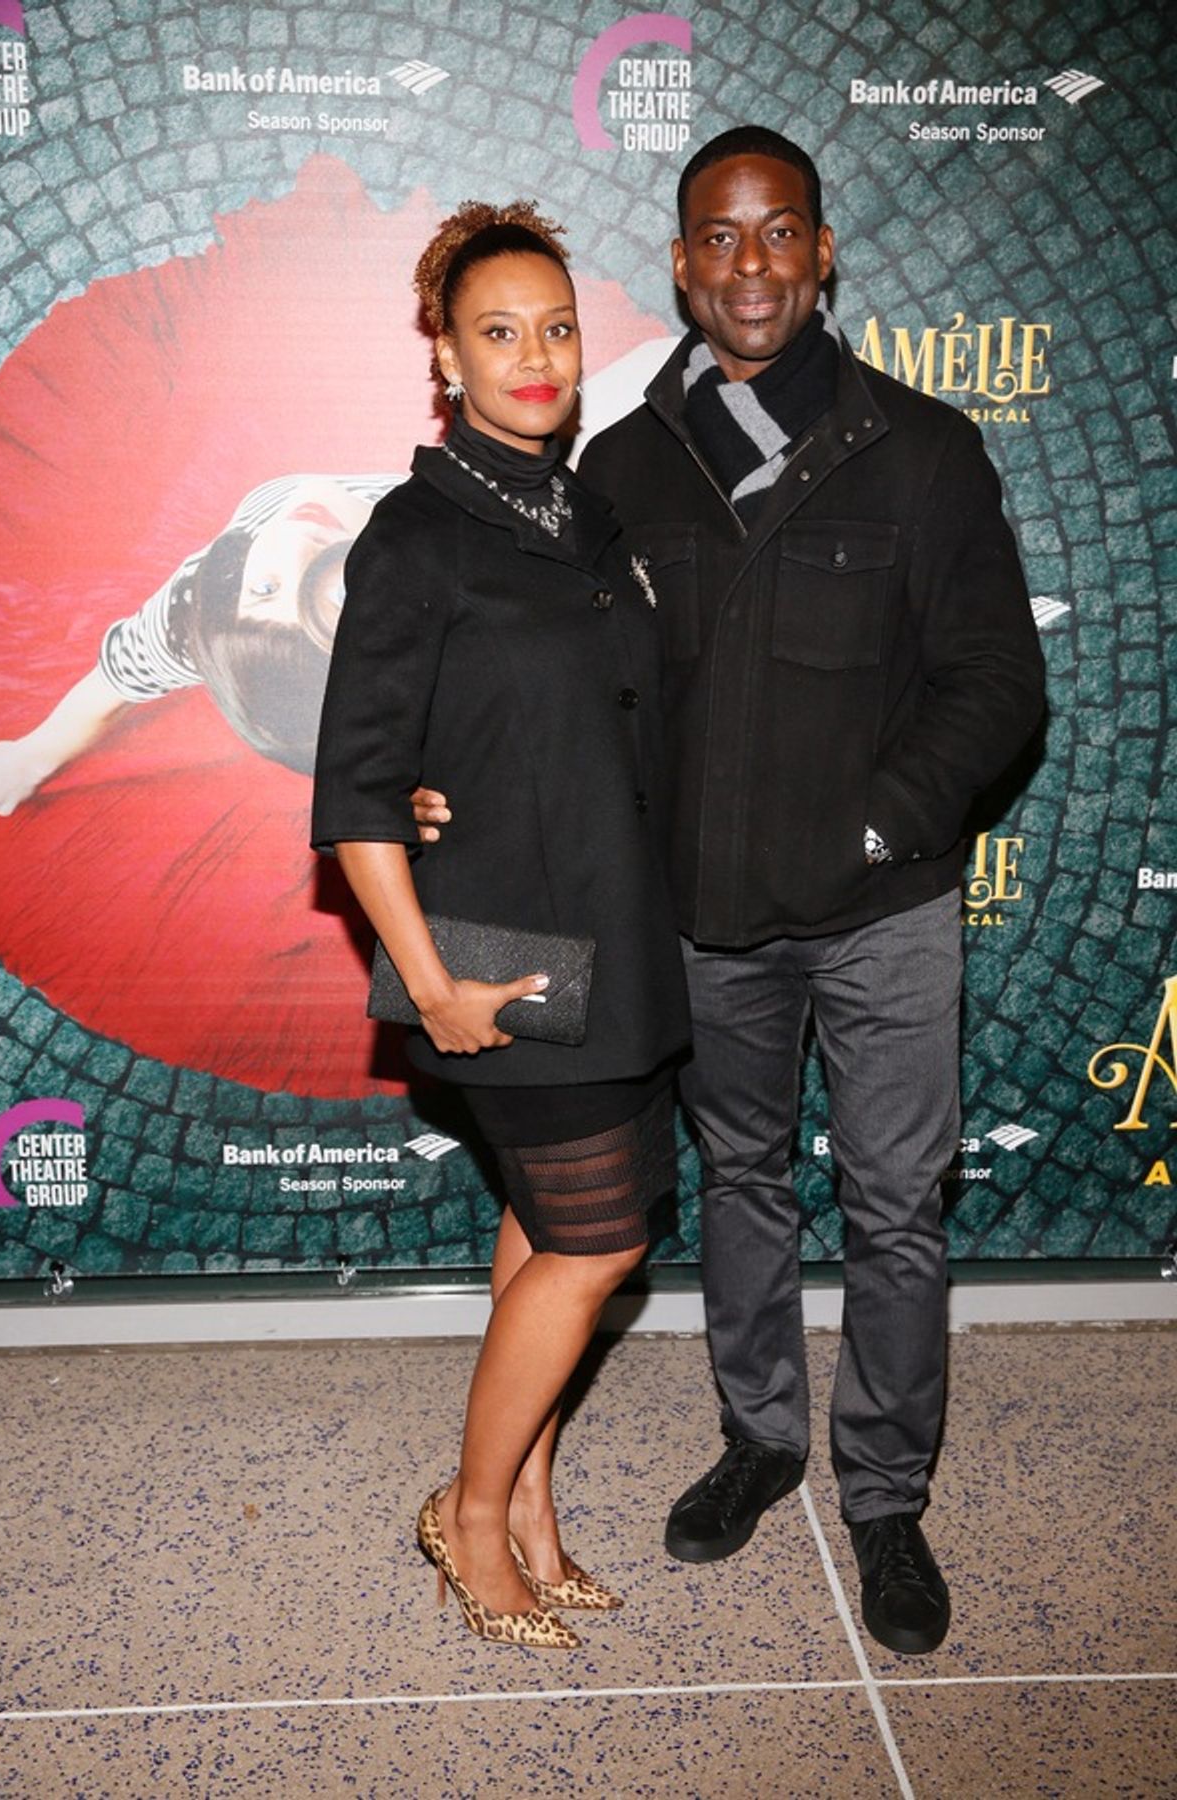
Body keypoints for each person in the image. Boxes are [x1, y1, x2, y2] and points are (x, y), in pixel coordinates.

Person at [417, 130, 1046, 1657]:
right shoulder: (623, 467)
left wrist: (879, 836)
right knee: (744, 1186)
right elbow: (557, 683)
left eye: (781, 234)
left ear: (822, 256)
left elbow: (995, 687)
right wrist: (444, 785)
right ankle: (761, 1438)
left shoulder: (929, 450)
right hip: (701, 921)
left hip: (883, 919)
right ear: (685, 262)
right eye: (720, 236)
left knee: (897, 1211)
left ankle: (886, 1496)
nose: (751, 263)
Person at [311, 201, 689, 1650]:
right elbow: (356, 794)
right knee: (596, 1248)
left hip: (625, 937)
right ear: (445, 360)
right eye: (497, 333)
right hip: (508, 962)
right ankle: (471, 1519)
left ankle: (528, 1501)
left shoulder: (587, 515)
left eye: (556, 328)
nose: (534, 358)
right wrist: (431, 987)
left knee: (551, 1233)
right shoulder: (417, 537)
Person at [0, 475, 397, 813]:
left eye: (265, 588)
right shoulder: (204, 606)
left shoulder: (201, 606)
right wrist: (31, 756)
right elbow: (114, 681)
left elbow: (114, 680)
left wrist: (31, 755)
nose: (295, 543)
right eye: (341, 595)